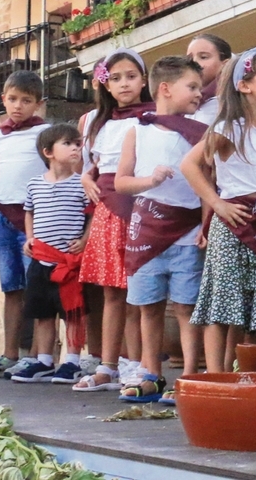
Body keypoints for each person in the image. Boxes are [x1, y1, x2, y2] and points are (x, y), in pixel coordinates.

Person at [181, 48, 256, 374]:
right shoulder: (230, 127)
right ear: (244, 85)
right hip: (233, 223)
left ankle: (249, 372)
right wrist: (217, 204)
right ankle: (215, 376)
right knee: (222, 301)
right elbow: (189, 165)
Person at [114, 56, 208, 404]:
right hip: (147, 232)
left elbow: (208, 182)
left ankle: (189, 376)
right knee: (148, 306)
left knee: (186, 306)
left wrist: (207, 223)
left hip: (187, 231)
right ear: (166, 89)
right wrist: (148, 180)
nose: (199, 93)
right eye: (192, 87)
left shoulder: (200, 133)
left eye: (199, 87)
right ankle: (151, 374)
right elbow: (121, 181)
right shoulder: (137, 131)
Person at [75, 50, 155, 392]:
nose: (124, 84)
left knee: (141, 291)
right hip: (108, 209)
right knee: (112, 292)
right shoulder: (93, 121)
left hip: (142, 208)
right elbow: (88, 165)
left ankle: (139, 365)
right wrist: (86, 178)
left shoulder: (154, 117)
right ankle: (108, 365)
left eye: (131, 76)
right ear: (105, 84)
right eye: (117, 77)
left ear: (145, 80)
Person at [0, 71, 51, 379]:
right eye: (13, 99)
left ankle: (38, 356)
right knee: (12, 287)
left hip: (35, 219)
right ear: (3, 99)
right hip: (5, 218)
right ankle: (9, 353)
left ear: (38, 104)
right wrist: (1, 196)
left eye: (26, 100)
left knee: (38, 287)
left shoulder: (45, 134)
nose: (18, 106)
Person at [9, 124, 90, 383]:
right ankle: (44, 360)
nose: (76, 148)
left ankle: (72, 361)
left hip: (69, 262)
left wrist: (85, 241)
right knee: (43, 312)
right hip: (41, 259)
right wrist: (30, 238)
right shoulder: (34, 185)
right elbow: (29, 211)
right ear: (48, 152)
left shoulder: (83, 184)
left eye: (78, 143)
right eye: (68, 143)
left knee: (72, 312)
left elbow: (92, 216)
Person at [187, 33, 232, 126]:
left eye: (203, 57)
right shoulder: (185, 102)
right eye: (189, 59)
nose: (194, 62)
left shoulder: (233, 98)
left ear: (225, 64)